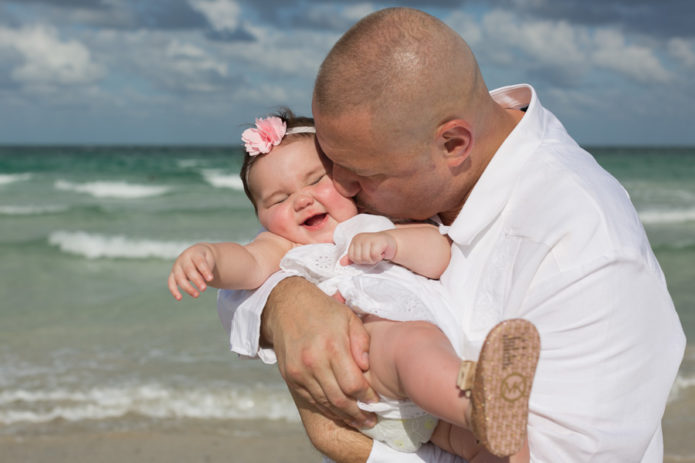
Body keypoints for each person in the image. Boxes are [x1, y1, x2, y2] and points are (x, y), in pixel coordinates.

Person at [218, 7, 686, 463]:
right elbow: (269, 258)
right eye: (331, 162)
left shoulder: (586, 249)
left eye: (361, 172)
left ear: (453, 144)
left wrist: (351, 447)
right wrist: (287, 303)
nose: (338, 188)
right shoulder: (405, 166)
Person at [169, 112, 541, 458]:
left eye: (315, 180)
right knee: (411, 344)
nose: (302, 199)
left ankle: (495, 428)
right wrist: (209, 259)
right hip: (371, 372)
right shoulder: (282, 246)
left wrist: (394, 243)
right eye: (279, 199)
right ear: (262, 218)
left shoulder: (381, 221)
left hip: (424, 417)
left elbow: (439, 254)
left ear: (346, 176)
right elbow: (246, 265)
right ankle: (476, 401)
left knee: (488, 450)